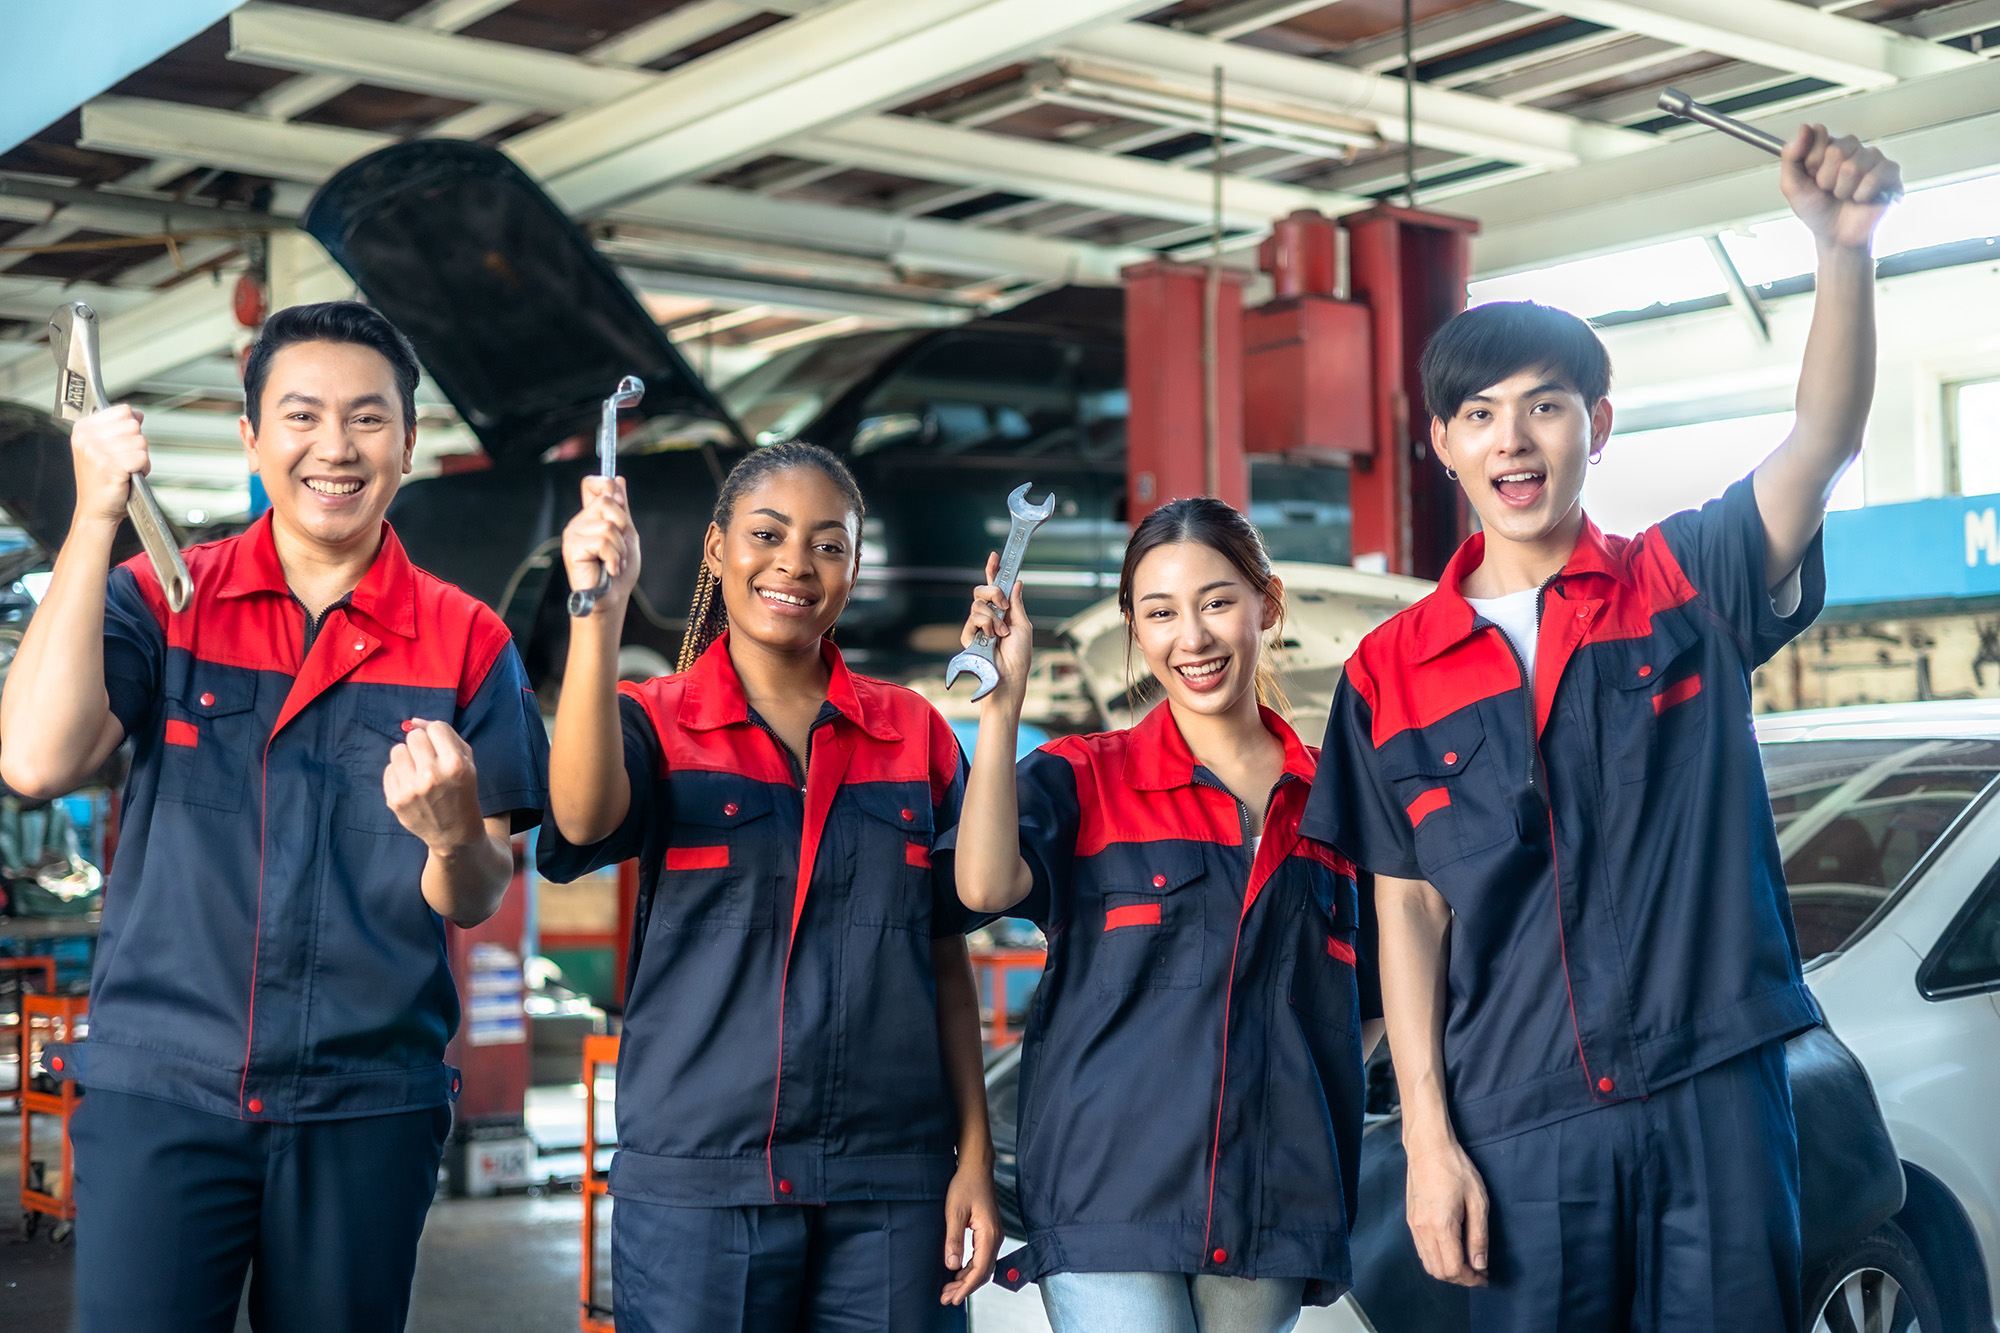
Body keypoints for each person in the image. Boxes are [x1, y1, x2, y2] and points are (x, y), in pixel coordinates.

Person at [1303, 126, 1901, 1332]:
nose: (1511, 439)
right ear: (1441, 446)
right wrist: (1425, 1139)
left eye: (1544, 406)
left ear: (1598, 424)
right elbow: (1407, 913)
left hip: (1714, 1093)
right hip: (1519, 1119)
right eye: (1477, 414)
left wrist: (1843, 253)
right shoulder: (1387, 670)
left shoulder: (1684, 581)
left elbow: (1820, 444)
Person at [0, 301, 549, 1331]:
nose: (334, 448)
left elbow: (477, 892)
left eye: (367, 418)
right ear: (251, 436)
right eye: (300, 416)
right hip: (164, 1092)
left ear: (410, 440)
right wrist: (90, 519)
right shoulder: (164, 598)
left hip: (365, 1103)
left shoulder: (467, 641)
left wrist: (447, 830)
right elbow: (34, 758)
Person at [539, 442, 1000, 1331]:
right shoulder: (655, 719)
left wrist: (972, 1156)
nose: (795, 562)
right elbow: (585, 817)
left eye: (830, 544)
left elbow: (945, 958)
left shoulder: (912, 733)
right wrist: (598, 615)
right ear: (716, 549)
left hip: (893, 1183)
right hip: (702, 1185)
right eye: (767, 533)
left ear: (855, 567)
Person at [952, 497, 1382, 1333]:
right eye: (1160, 612)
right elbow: (983, 887)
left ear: (1269, 603)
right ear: (1135, 629)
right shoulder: (1085, 777)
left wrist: (1291, 1100)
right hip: (1111, 1192)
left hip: (1269, 1200)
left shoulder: (1337, 803)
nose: (1193, 637)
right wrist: (1000, 708)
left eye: (1217, 601)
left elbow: (1362, 1007)